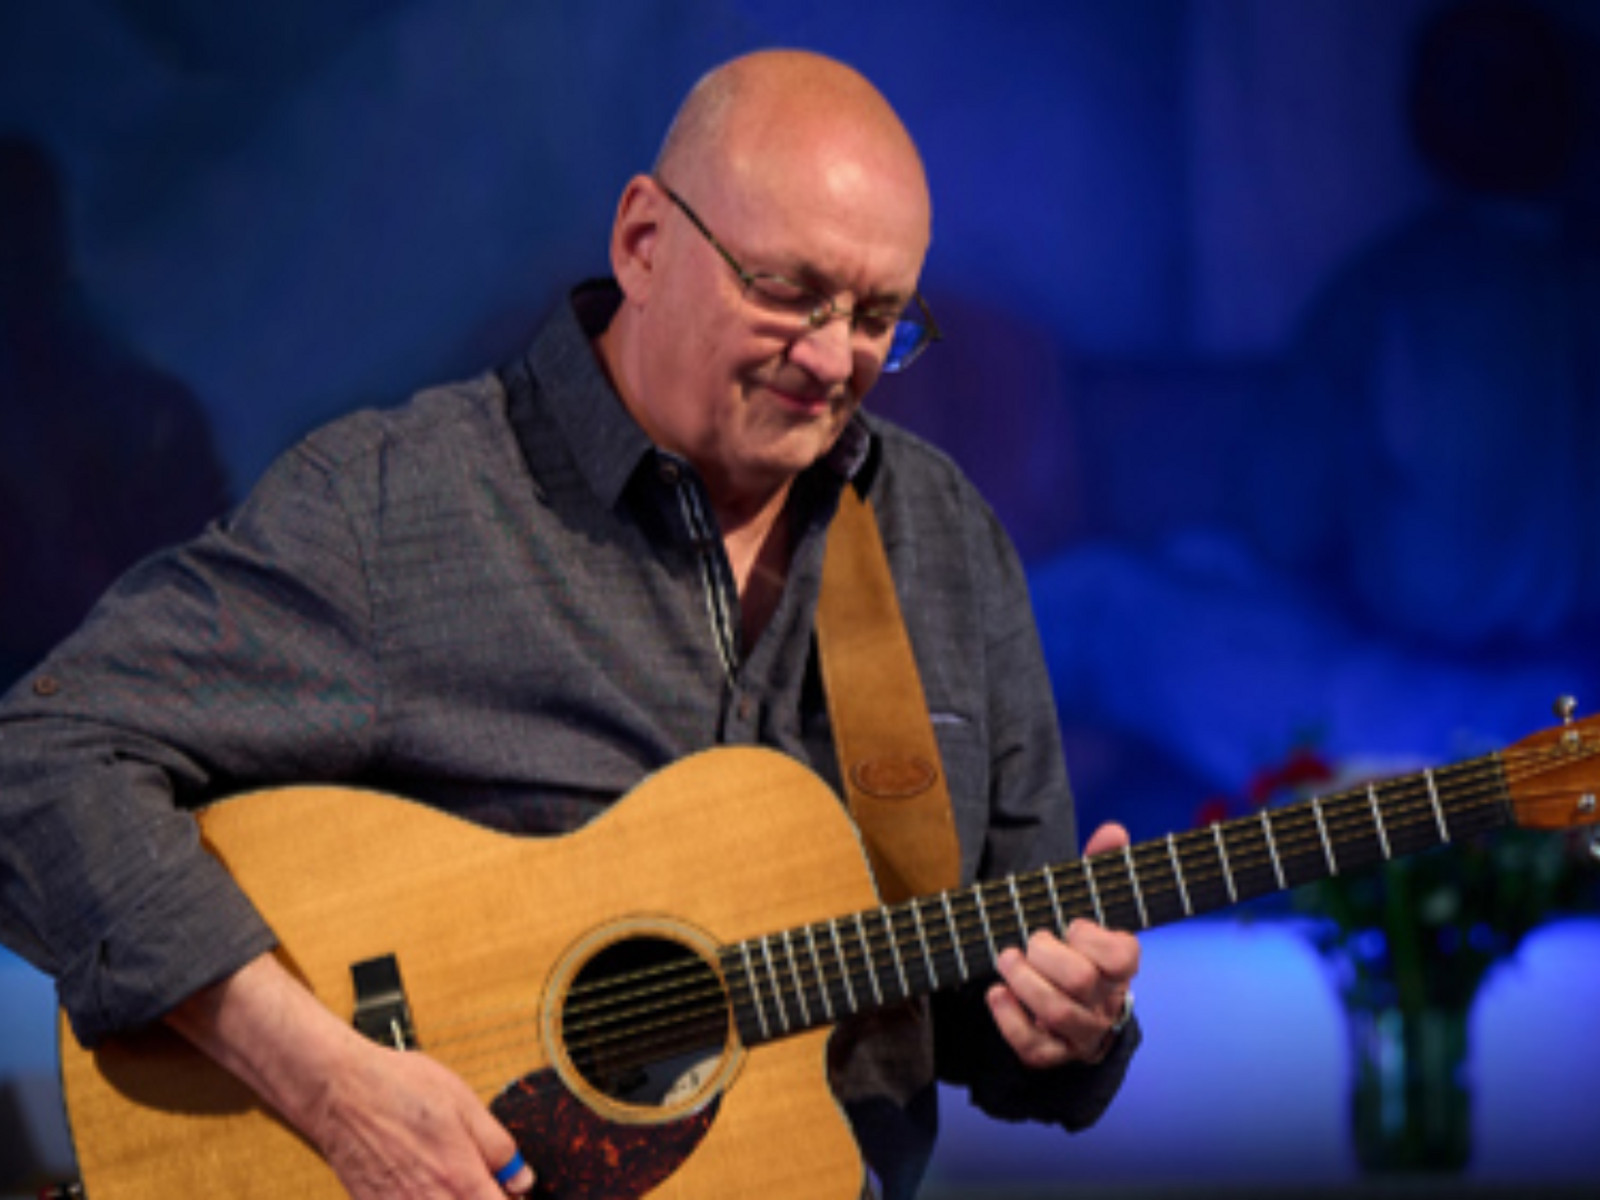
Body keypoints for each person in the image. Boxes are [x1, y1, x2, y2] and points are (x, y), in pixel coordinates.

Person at [0, 50, 1140, 1199]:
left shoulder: (940, 537)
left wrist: (1072, 1028)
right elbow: (38, 763)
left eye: (878, 318)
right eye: (788, 294)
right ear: (643, 241)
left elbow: (991, 1013)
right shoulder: (398, 508)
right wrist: (330, 1085)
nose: (831, 357)